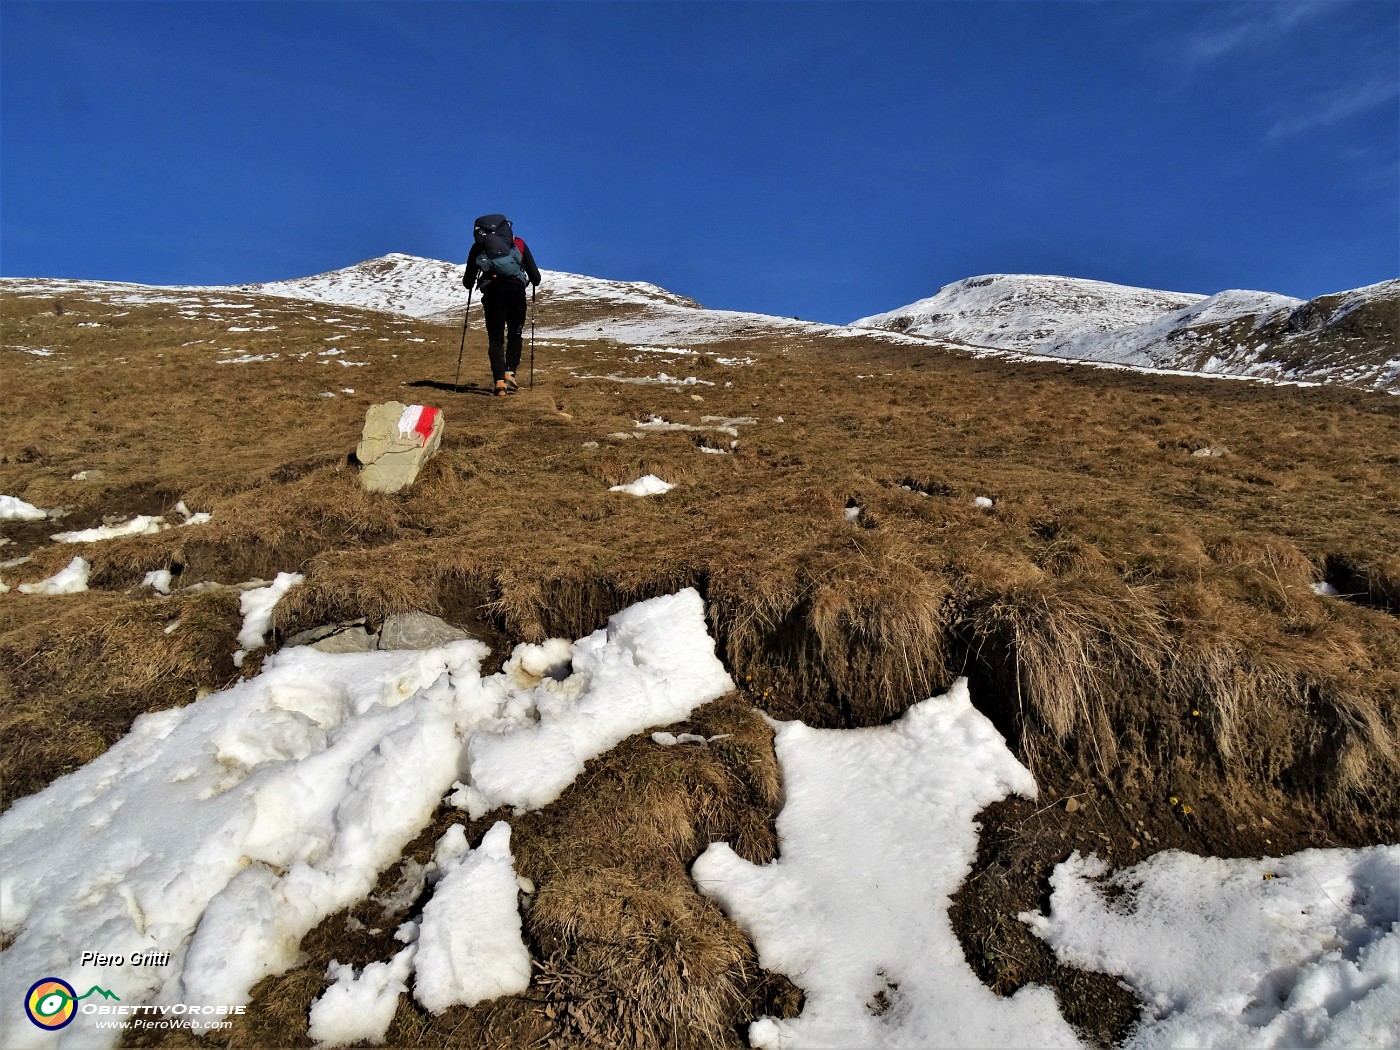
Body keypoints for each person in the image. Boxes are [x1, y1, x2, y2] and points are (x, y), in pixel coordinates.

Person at [463, 215, 541, 396]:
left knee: (496, 339)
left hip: (492, 293)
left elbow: (468, 282)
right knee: (515, 334)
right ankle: (509, 373)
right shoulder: (519, 244)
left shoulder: (479, 246)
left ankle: (499, 383)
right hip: (516, 291)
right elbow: (536, 278)